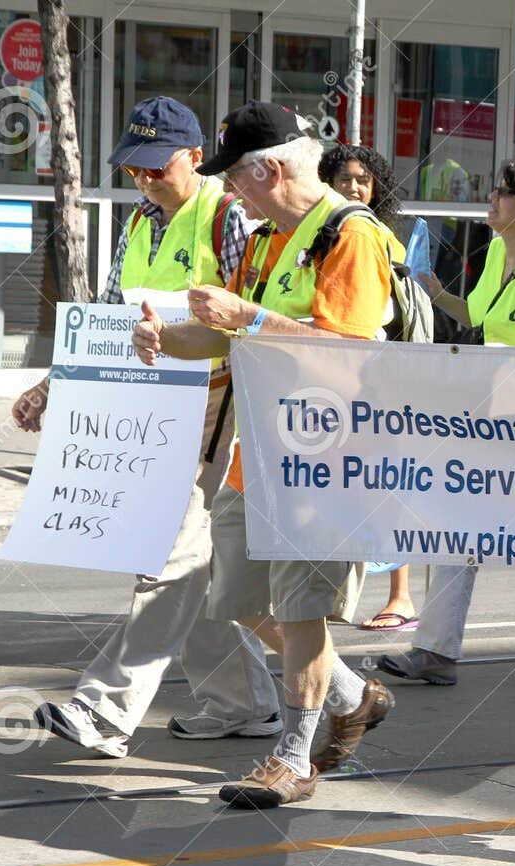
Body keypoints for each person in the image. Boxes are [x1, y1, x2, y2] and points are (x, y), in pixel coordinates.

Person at [131, 102, 398, 809]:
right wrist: (168, 338)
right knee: (240, 597)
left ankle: (292, 757)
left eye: (236, 179)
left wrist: (246, 316)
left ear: (271, 170)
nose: (230, 191)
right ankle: (351, 695)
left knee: (302, 607)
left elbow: (347, 353)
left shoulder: (350, 234)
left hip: (328, 458)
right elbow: (224, 338)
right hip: (265, 452)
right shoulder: (263, 240)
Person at [11, 97, 279, 759]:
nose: (144, 180)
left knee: (167, 558)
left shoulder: (230, 218)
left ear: (195, 155)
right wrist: (53, 386)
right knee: (189, 569)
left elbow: (259, 319)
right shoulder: (140, 222)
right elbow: (107, 321)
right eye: (133, 170)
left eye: (155, 168)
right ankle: (248, 703)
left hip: (218, 412)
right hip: (152, 415)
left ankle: (104, 711)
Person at [371, 157, 515, 689]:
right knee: (455, 531)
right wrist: (433, 290)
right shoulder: (496, 252)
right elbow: (476, 315)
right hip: (486, 426)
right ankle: (435, 652)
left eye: (503, 193)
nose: (491, 199)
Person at [318, 143, 421, 634]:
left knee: (384, 485)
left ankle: (401, 596)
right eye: (343, 179)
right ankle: (339, 592)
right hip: (357, 382)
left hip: (378, 382)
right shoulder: (332, 230)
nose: (354, 187)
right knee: (354, 483)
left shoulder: (367, 234)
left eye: (362, 179)